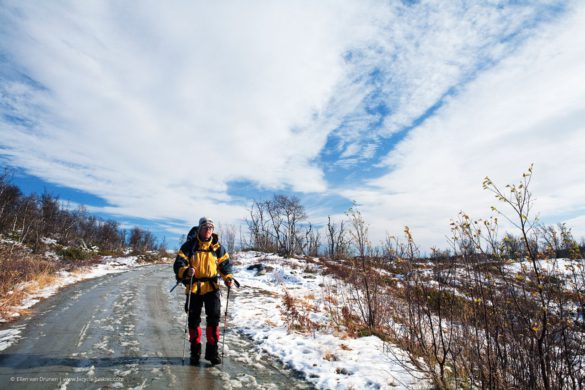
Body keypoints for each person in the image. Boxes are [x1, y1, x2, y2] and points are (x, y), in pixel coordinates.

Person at [173, 217, 233, 365]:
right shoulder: (189, 246)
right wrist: (186, 271)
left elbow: (225, 265)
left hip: (212, 288)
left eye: (211, 228)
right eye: (206, 227)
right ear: (199, 229)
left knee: (213, 319)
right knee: (193, 321)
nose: (208, 230)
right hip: (194, 288)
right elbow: (179, 263)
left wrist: (228, 277)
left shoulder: (217, 247)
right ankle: (195, 352)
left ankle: (212, 353)